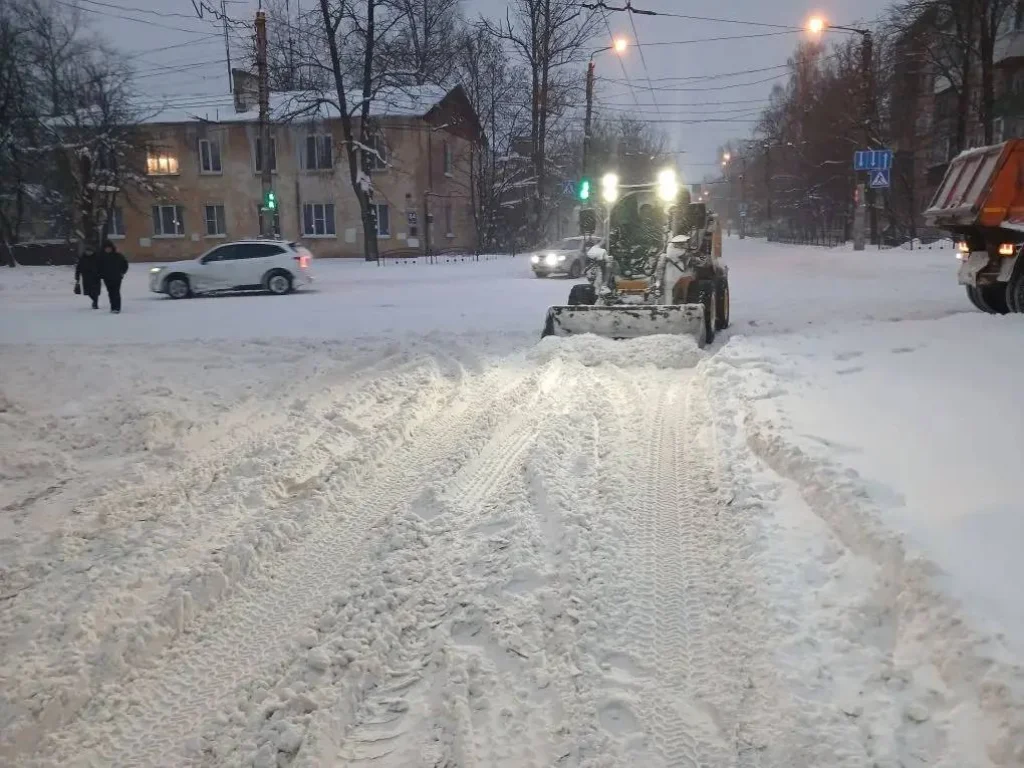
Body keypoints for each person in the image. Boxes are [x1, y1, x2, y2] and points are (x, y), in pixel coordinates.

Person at [97, 239, 129, 313]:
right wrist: (101, 275)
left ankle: (117, 308)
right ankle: (112, 307)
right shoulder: (101, 257)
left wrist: (122, 272)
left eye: (109, 248)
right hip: (107, 278)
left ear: (112, 248)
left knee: (116, 292)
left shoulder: (118, 256)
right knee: (110, 292)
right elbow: (98, 267)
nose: (108, 249)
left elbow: (125, 264)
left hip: (117, 277)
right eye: (106, 248)